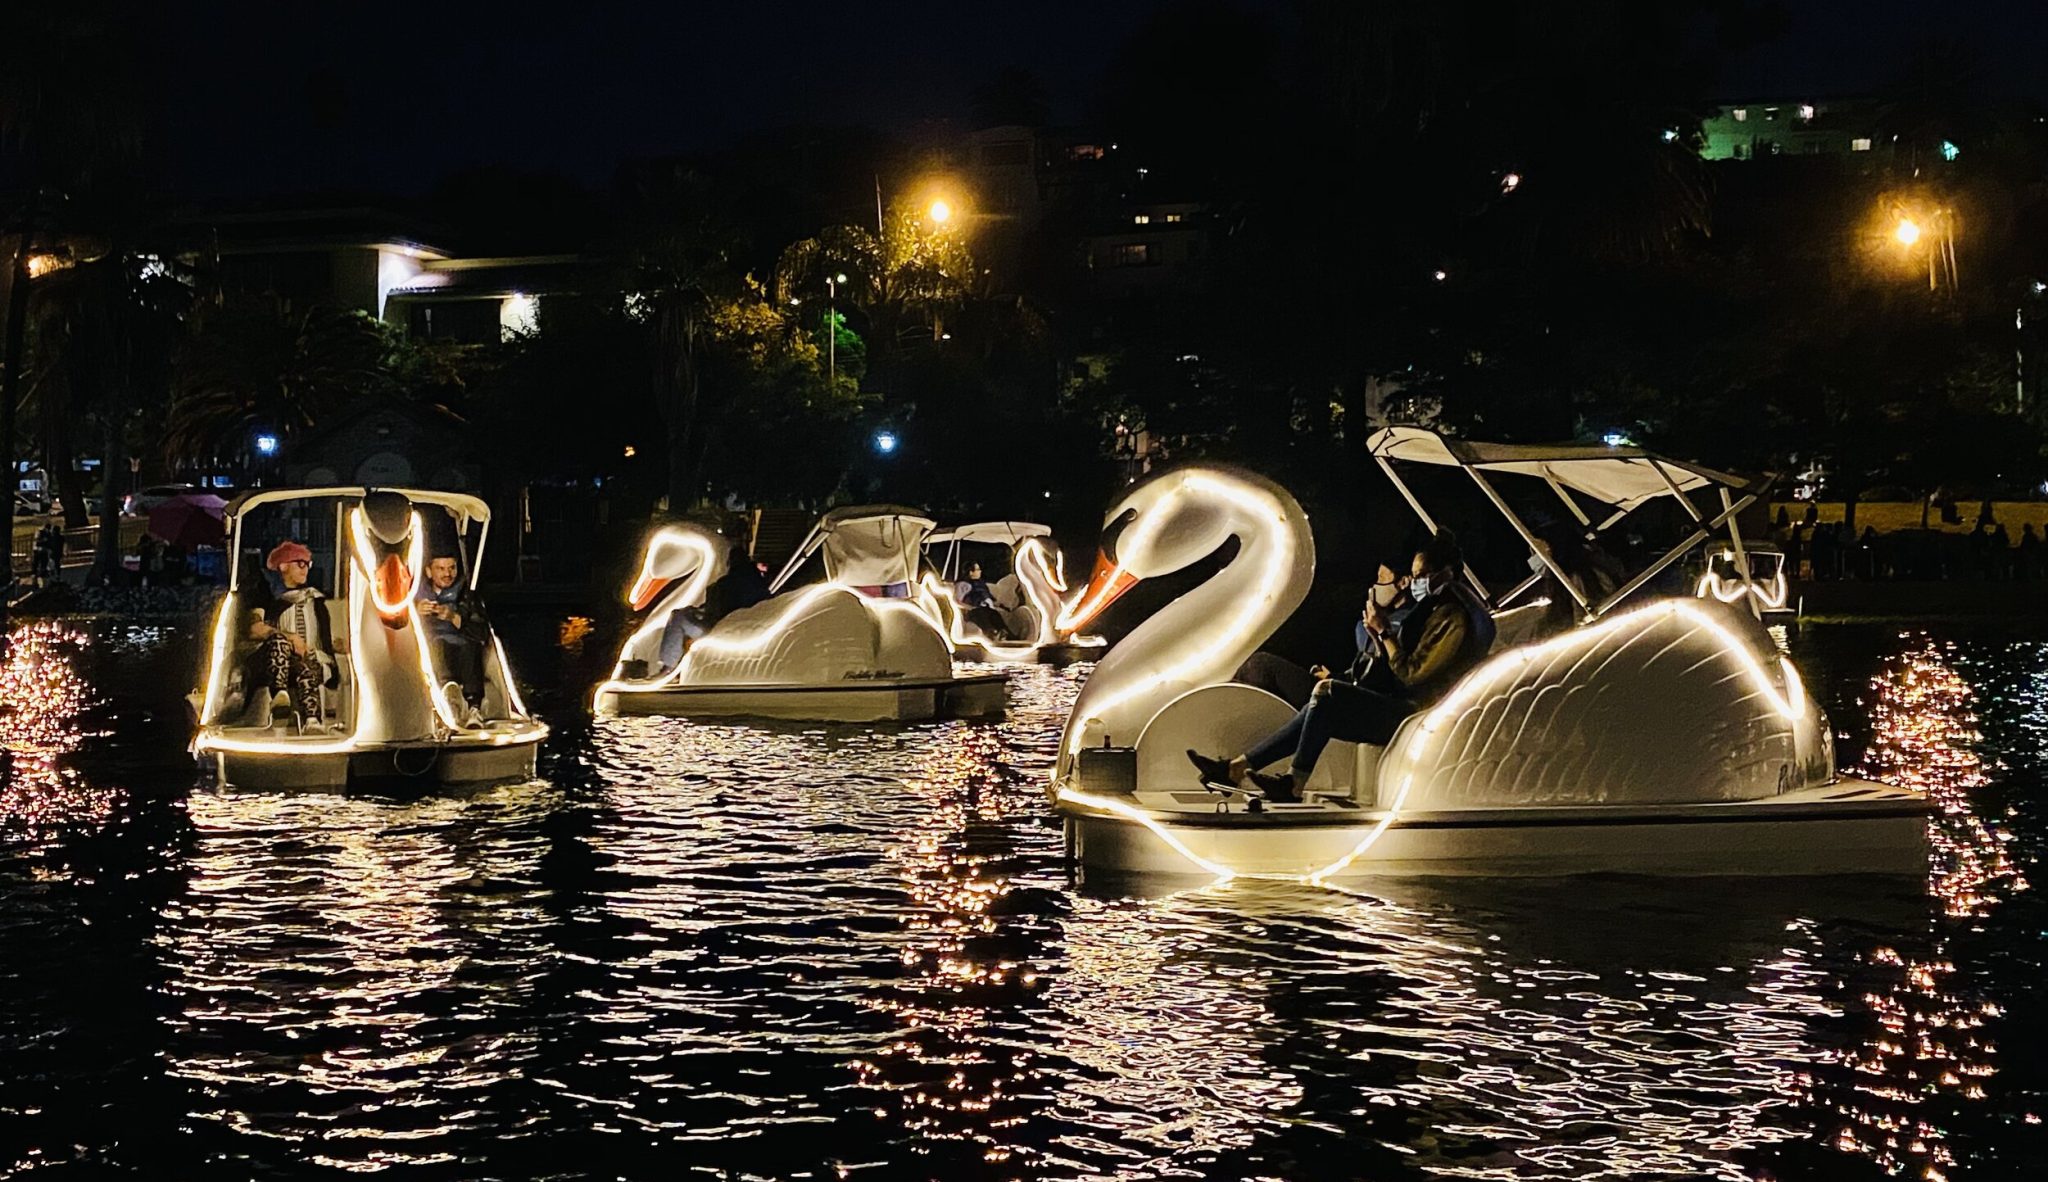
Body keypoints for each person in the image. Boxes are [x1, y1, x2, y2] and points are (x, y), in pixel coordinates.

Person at [1188, 531, 1494, 802]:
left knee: (1326, 694)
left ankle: (1291, 783)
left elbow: (1411, 675)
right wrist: (1376, 638)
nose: (1416, 583)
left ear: (1448, 573)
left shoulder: (1452, 618)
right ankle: (1237, 769)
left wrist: (1384, 633)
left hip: (1420, 715)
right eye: (1415, 576)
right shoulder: (1436, 611)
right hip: (1408, 706)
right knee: (1321, 702)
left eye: (1423, 575)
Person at [1235, 562, 1411, 709]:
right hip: (1344, 685)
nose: (1375, 585)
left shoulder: (1404, 621)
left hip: (1353, 699)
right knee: (1247, 673)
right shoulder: (1369, 623)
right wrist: (1333, 675)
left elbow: (1383, 673)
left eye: (1382, 578)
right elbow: (1363, 668)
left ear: (1403, 582)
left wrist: (1380, 630)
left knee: (1260, 665)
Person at [242, 540, 338, 729]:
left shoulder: (316, 601)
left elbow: (325, 639)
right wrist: (290, 637)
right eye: (300, 563)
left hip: (309, 658)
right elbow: (254, 628)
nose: (305, 569)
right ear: (283, 566)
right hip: (277, 660)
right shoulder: (268, 597)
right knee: (279, 641)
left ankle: (312, 720)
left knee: (306, 666)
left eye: (308, 564)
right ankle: (280, 695)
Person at [656, 523, 772, 671]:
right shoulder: (760, 584)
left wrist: (695, 610)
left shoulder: (723, 584)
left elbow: (714, 612)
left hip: (722, 631)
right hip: (750, 630)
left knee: (679, 617)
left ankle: (669, 667)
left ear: (729, 564)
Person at [417, 553, 491, 722]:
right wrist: (416, 610)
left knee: (470, 647)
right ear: (429, 572)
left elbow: (481, 631)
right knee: (436, 647)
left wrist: (453, 617)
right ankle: (446, 698)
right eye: (441, 569)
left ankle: (473, 707)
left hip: (461, 646)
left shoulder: (466, 593)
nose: (447, 574)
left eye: (452, 568)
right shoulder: (417, 593)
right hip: (431, 646)